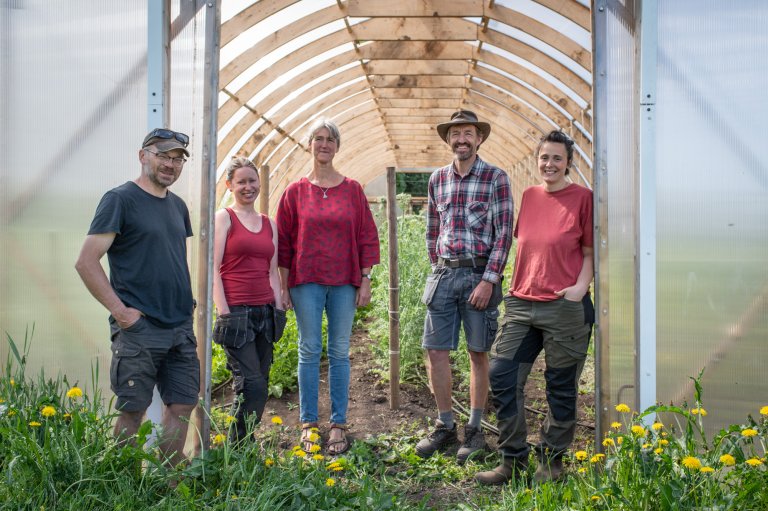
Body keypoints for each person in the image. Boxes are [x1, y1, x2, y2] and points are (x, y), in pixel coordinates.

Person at [475, 130, 594, 485]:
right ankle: (512, 459)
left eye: (558, 158)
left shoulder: (582, 198)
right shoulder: (528, 196)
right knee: (502, 376)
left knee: (560, 385)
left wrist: (579, 289)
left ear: (569, 163)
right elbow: (529, 248)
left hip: (564, 307)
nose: (550, 164)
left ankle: (552, 460)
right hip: (523, 304)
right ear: (537, 160)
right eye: (544, 157)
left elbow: (589, 253)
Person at [75, 128, 199, 466]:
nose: (171, 165)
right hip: (140, 328)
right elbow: (86, 262)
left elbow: (172, 259)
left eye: (177, 159)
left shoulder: (177, 206)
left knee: (183, 405)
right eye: (163, 156)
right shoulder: (120, 199)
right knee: (133, 410)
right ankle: (124, 487)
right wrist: (122, 313)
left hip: (179, 327)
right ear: (143, 155)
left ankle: (168, 482)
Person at [276, 118, 380, 455]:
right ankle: (308, 423)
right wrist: (283, 285)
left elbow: (366, 235)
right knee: (308, 349)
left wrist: (365, 279)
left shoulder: (352, 189)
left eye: (330, 139)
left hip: (344, 282)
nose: (324, 144)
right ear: (309, 145)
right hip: (305, 280)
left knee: (338, 351)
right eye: (318, 139)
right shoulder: (294, 192)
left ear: (337, 146)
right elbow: (285, 243)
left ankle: (338, 423)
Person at [416, 110, 514, 464]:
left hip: (478, 277)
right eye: (455, 133)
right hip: (443, 275)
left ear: (479, 138)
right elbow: (432, 228)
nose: (462, 139)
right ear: (448, 139)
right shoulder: (437, 179)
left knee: (477, 352)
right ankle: (445, 426)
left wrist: (490, 279)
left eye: (468, 133)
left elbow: (504, 236)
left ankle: (474, 430)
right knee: (436, 351)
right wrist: (437, 266)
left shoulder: (495, 178)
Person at [212, 157, 284, 443]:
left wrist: (278, 307)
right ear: (230, 185)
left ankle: (244, 443)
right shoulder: (225, 218)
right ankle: (238, 444)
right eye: (241, 181)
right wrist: (224, 312)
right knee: (251, 384)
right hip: (237, 313)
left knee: (260, 383)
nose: (248, 186)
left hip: (265, 312)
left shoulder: (269, 223)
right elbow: (214, 269)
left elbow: (273, 271)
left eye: (252, 181)